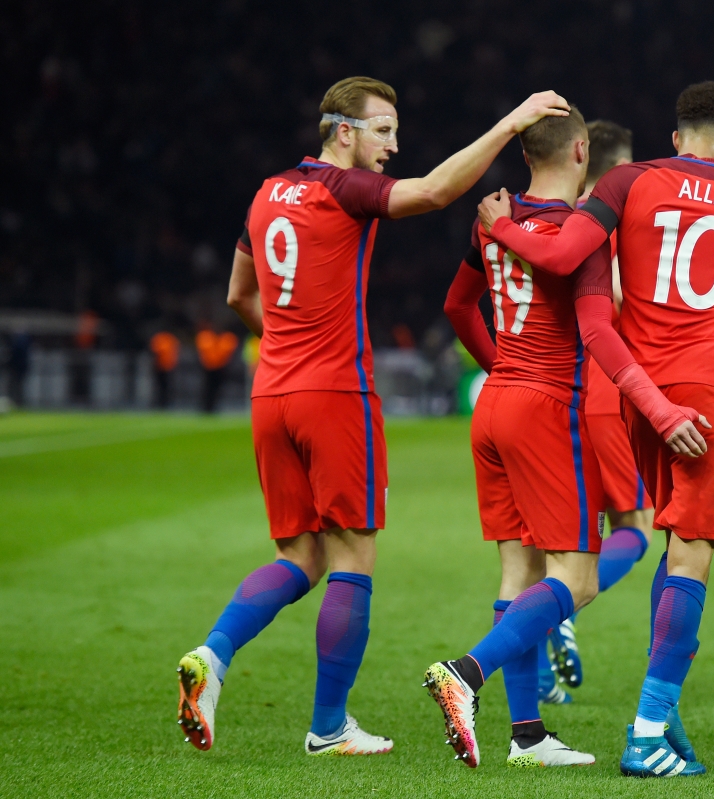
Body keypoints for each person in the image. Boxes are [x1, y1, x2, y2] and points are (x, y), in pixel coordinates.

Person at [174, 75, 569, 756]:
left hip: (270, 393)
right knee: (353, 553)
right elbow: (438, 191)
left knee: (298, 555)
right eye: (383, 130)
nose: (393, 144)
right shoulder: (342, 187)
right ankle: (328, 726)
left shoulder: (267, 193)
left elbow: (241, 294)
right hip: (334, 395)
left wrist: (290, 342)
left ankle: (212, 654)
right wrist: (513, 122)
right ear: (343, 131)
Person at [477, 80, 714, 777]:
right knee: (687, 553)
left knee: (647, 534)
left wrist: (501, 227)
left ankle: (661, 719)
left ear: (676, 137)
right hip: (708, 389)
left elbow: (560, 259)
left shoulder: (629, 182)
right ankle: (646, 730)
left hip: (634, 387)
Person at [430, 105, 711, 771]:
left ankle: (526, 735)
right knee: (577, 580)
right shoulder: (582, 234)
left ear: (528, 155)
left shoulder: (495, 220)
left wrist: (500, 366)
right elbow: (594, 330)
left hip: (493, 402)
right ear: (583, 150)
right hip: (550, 406)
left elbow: (455, 305)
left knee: (519, 570)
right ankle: (466, 672)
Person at [537, 120, 648, 705]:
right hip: (606, 387)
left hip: (551, 392)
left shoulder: (552, 219)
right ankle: (559, 612)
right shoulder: (614, 218)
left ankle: (534, 680)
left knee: (547, 544)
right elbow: (620, 300)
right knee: (634, 529)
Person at [149, 331, 180, 409]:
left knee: (166, 386)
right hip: (161, 367)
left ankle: (165, 403)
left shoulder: (166, 339)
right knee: (160, 386)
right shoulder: (163, 339)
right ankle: (160, 403)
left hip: (168, 367)